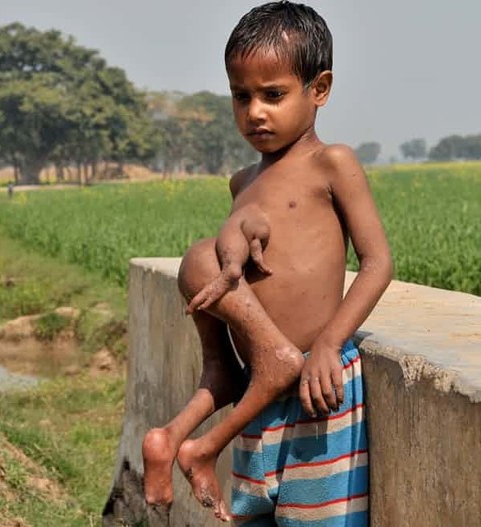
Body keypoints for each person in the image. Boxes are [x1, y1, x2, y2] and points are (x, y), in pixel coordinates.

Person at [141, 2, 393, 525]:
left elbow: (377, 263)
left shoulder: (333, 163)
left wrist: (329, 342)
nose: (255, 111)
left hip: (320, 384)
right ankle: (190, 435)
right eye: (241, 96)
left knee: (317, 516)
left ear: (319, 89)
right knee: (254, 512)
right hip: (262, 389)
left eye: (273, 95)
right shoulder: (242, 180)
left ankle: (190, 441)